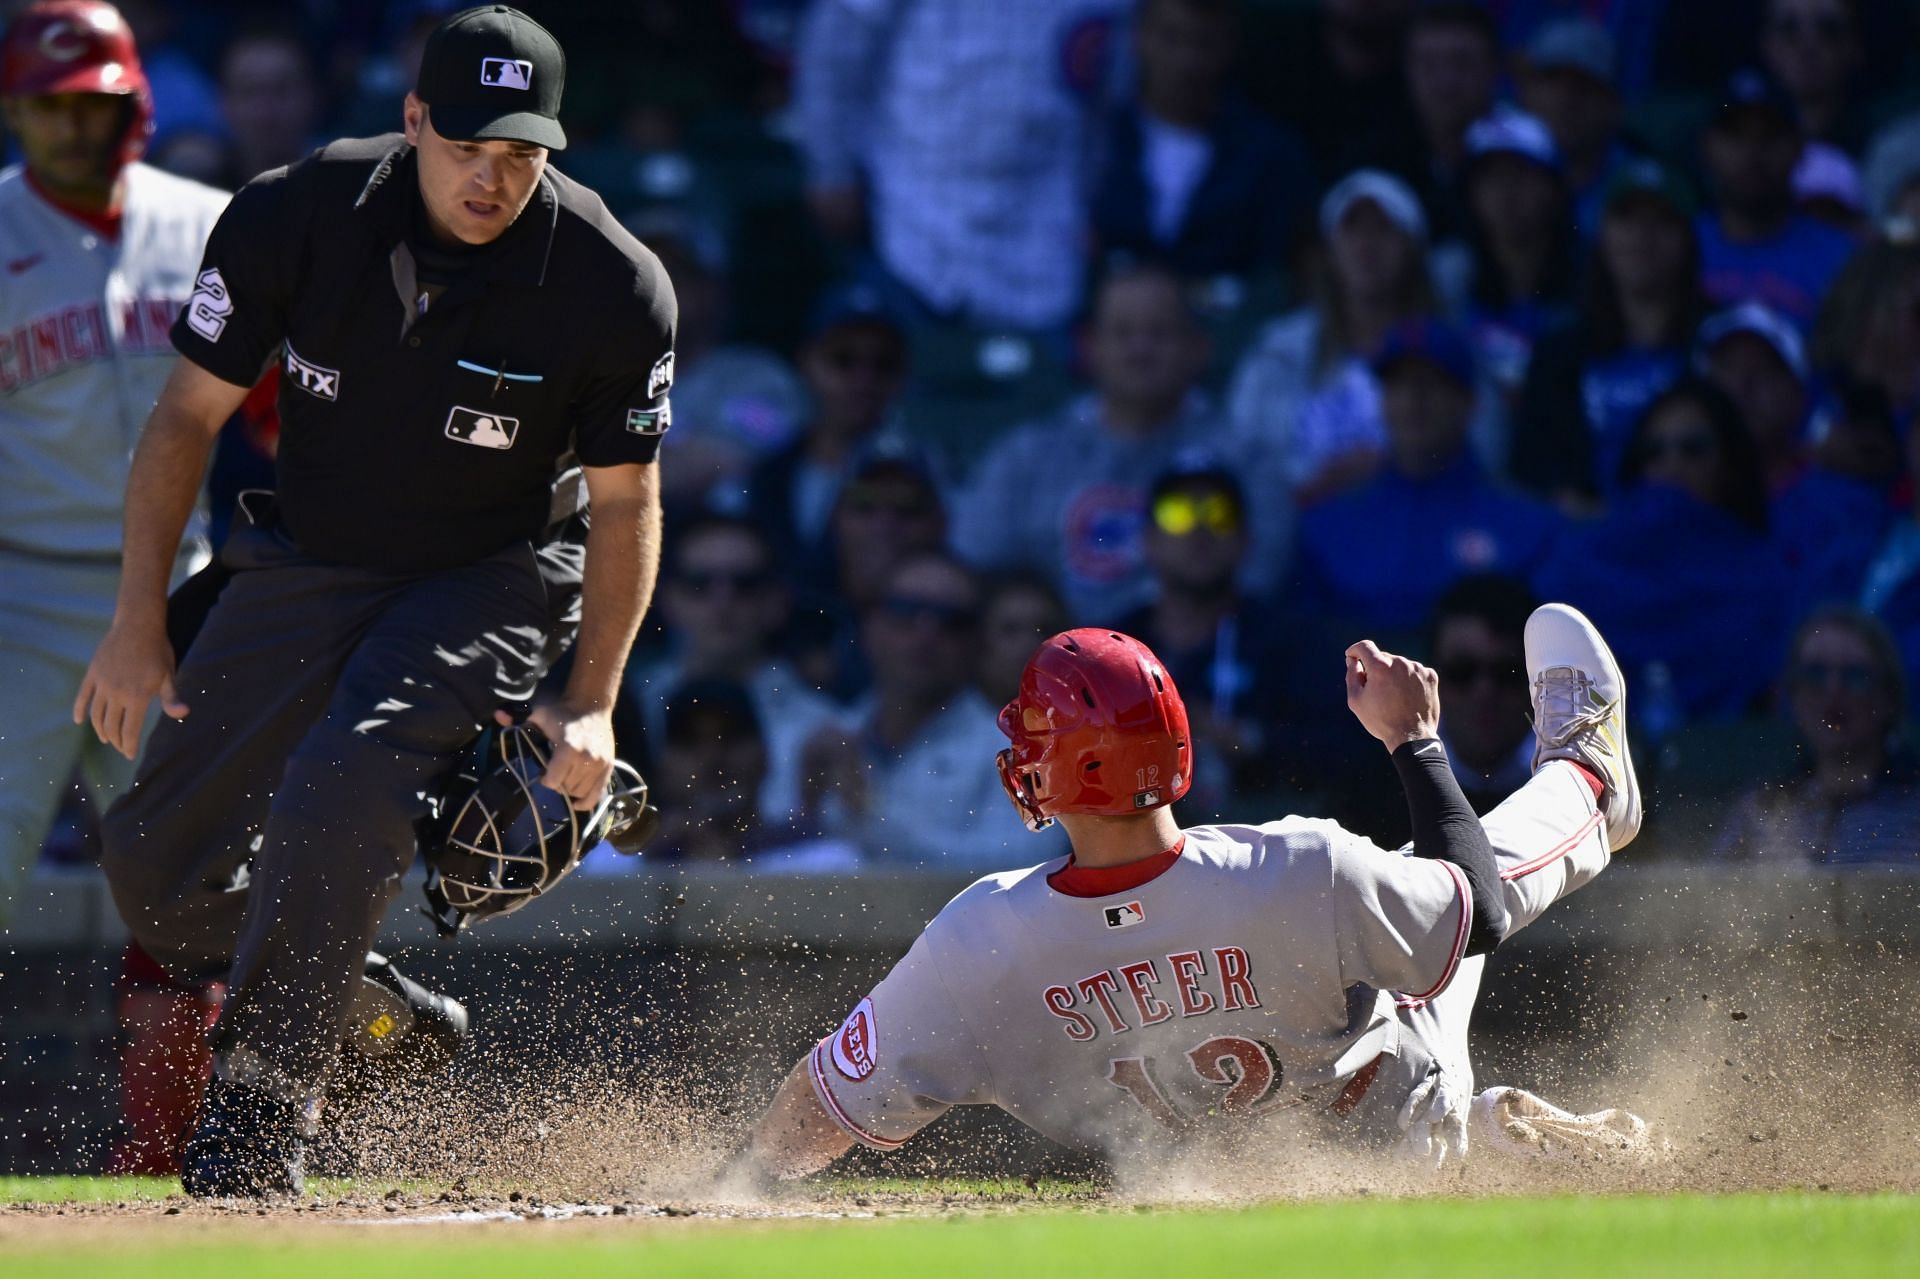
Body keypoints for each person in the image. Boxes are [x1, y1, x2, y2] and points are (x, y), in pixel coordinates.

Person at [80, 7, 677, 1198]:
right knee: (151, 864)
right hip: (308, 558)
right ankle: (371, 1015)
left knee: (338, 787)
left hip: (491, 575)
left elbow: (627, 506)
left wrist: (596, 703)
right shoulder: (289, 214)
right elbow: (185, 419)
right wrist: (137, 621)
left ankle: (262, 1111)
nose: (493, 177)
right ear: (413, 123)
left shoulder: (617, 284)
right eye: (468, 146)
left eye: (523, 154)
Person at [740, 606, 1646, 1177]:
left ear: (1045, 770)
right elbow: (1477, 907)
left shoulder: (982, 935)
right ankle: (1591, 781)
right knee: (1445, 876)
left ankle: (1499, 1135)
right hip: (1403, 1129)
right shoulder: (1297, 863)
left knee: (1419, 895)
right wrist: (1415, 742)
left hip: (1216, 1196)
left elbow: (826, 1100)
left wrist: (735, 1190)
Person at [0, 3, 233, 1176]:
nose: (73, 125)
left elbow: (284, 412)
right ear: (12, 106)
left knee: (187, 889)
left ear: (135, 97)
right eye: (50, 103)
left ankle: (171, 1168)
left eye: (92, 101)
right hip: (16, 591)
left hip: (177, 596)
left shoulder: (208, 226)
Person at [956, 262, 1289, 621]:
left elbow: (1260, 578)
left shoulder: (1245, 460)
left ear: (1198, 347)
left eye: (1159, 333)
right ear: (1089, 347)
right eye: (1122, 333)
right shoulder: (1027, 456)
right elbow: (974, 568)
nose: (1140, 350)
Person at [792, 0, 1125, 330]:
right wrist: (832, 170)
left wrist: (1094, 204)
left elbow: (1109, 102)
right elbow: (835, 47)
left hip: (1044, 240)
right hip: (913, 219)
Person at [1288, 318, 1561, 636]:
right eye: (1398, 384)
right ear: (1382, 401)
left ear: (1468, 403)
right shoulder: (1326, 527)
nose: (1413, 400)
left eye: (1431, 383)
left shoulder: (1529, 527)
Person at [1537, 380, 1787, 722]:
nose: (1672, 463)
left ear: (1729, 463)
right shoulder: (1582, 563)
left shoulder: (1767, 572)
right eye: (1654, 451)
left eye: (1693, 448)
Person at [798, 552, 1054, 868]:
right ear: (869, 626)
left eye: (950, 620)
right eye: (905, 611)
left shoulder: (1016, 753)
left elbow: (1028, 864)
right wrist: (804, 809)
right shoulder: (823, 732)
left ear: (977, 640)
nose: (926, 634)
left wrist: (868, 812)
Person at [1225, 171, 1443, 502]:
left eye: (1383, 228)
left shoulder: (1446, 351)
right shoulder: (1277, 350)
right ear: (1329, 250)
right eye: (1351, 229)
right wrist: (1314, 483)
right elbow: (1241, 454)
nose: (1366, 244)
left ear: (1413, 248)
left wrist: (1389, 469)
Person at [1113, 460, 1311, 815]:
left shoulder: (1289, 641)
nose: (1200, 530)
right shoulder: (1115, 645)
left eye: (1219, 514)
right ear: (1148, 540)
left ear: (1245, 539)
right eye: (1177, 513)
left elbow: (1335, 750)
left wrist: (1247, 740)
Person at [1512, 159, 1707, 507]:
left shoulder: (1720, 343)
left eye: (1662, 221)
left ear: (1689, 238)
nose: (1643, 237)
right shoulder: (1559, 352)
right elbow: (1533, 467)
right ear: (1602, 234)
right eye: (1626, 219)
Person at [620, 515, 838, 825]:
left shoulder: (821, 725)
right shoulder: (627, 710)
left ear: (777, 601)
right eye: (699, 584)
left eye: (745, 585)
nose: (722, 602)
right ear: (667, 599)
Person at [1089, 0, 1312, 279]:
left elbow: (1275, 277)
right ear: (1138, 36)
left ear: (1229, 44)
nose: (1187, 60)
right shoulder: (1096, 142)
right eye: (1171, 37)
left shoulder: (1269, 157)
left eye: (1203, 41)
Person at [1713, 607, 1919, 865]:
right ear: (1794, 695)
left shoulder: (1913, 810)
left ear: (1888, 696)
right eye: (1815, 674)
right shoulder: (1761, 811)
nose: (1833, 691)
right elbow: (1711, 893)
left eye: (1855, 675)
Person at [742, 285, 910, 591]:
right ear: (807, 362)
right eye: (843, 360)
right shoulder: (767, 468)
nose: (864, 380)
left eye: (883, 364)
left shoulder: (919, 470)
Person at [1696, 67, 1858, 333]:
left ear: (1799, 148)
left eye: (1769, 135)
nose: (1752, 152)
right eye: (1735, 134)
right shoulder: (1677, 245)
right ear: (1707, 146)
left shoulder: (1844, 261)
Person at [1458, 110, 1578, 407]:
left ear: (1553, 187)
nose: (1505, 191)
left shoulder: (1589, 279)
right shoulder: (1450, 277)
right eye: (1491, 177)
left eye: (1520, 174)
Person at [1427, 575, 1539, 815]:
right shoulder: (1371, 782)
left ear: (1538, 681)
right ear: (1430, 676)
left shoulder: (1585, 782)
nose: (1484, 691)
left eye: (1507, 672)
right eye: (1462, 670)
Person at [1517, 17, 1636, 240]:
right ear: (1526, 93)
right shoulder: (1495, 169)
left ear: (1614, 103)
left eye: (1583, 86)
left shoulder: (1637, 184)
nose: (1566, 100)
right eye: (1552, 83)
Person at [1694, 302, 1811, 493]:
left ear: (1798, 394)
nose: (1742, 386)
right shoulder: (1674, 490)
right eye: (1728, 367)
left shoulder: (1841, 505)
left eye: (1764, 369)